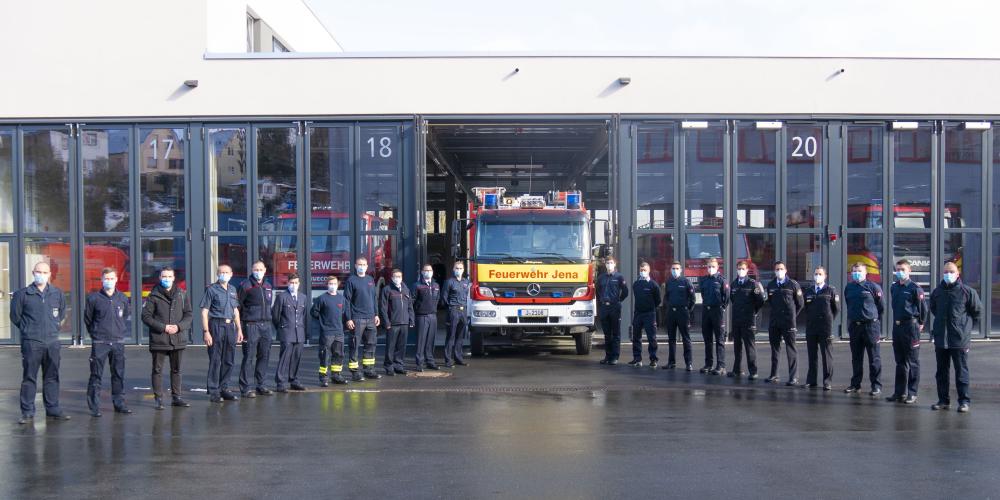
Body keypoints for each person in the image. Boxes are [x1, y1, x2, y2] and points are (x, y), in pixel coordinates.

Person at [11, 262, 70, 424]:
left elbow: (62, 313)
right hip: (32, 343)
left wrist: (54, 328)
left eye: (44, 272)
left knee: (52, 376)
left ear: (50, 274)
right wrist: (28, 330)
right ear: (33, 272)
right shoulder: (23, 294)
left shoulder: (57, 293)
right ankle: (28, 412)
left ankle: (52, 408)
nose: (41, 275)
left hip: (52, 343)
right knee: (29, 377)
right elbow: (15, 316)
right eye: (38, 272)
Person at [929, 260, 981, 413]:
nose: (948, 275)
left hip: (959, 339)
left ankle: (964, 401)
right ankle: (943, 400)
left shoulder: (967, 292)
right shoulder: (937, 292)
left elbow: (977, 312)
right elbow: (934, 309)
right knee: (941, 372)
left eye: (951, 272)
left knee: (961, 372)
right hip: (941, 339)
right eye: (945, 272)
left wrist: (966, 329)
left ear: (958, 274)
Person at [83, 268, 132, 416]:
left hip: (117, 342)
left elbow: (125, 317)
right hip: (100, 343)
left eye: (111, 278)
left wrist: (119, 331)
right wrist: (96, 335)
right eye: (106, 278)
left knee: (118, 374)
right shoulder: (93, 298)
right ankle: (94, 407)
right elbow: (88, 319)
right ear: (102, 279)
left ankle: (119, 403)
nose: (109, 281)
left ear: (116, 279)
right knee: (96, 375)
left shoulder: (122, 298)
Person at [141, 266, 192, 409]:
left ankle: (177, 397)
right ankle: (159, 399)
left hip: (178, 339)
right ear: (160, 278)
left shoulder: (182, 294)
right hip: (159, 339)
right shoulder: (153, 296)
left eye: (169, 276)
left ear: (174, 278)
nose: (167, 279)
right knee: (157, 370)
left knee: (177, 370)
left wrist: (179, 326)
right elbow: (145, 316)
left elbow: (189, 314)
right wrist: (163, 327)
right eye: (164, 276)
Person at [200, 264, 244, 403]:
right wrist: (206, 331)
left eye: (226, 272)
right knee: (215, 359)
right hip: (216, 325)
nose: (224, 274)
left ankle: (224, 388)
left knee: (229, 360)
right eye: (221, 272)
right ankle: (214, 391)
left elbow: (235, 311)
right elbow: (204, 312)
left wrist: (239, 329)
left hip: (230, 326)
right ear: (217, 274)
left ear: (231, 274)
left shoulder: (232, 289)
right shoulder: (211, 289)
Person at [887, 259, 927, 404]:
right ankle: (899, 393)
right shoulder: (894, 287)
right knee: (900, 362)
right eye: (898, 269)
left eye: (903, 269)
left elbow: (923, 309)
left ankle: (912, 393)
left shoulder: (915, 288)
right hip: (897, 327)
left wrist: (920, 323)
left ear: (909, 270)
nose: (900, 272)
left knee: (913, 361)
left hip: (910, 327)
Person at [843, 262, 885, 397]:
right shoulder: (849, 288)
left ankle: (876, 386)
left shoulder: (873, 287)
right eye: (854, 271)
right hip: (855, 326)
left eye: (859, 271)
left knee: (874, 358)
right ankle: (856, 384)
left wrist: (872, 318)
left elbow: (881, 307)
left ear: (865, 273)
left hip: (870, 326)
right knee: (856, 357)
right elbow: (848, 303)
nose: (856, 273)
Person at [238, 260, 274, 399]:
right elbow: (238, 307)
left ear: (265, 270)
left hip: (266, 326)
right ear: (252, 270)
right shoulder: (245, 286)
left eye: (260, 269)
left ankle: (261, 385)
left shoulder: (268, 286)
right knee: (249, 357)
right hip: (251, 325)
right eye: (255, 269)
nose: (258, 271)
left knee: (264, 356)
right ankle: (245, 388)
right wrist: (240, 327)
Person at [765, 261, 803, 386]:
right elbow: (770, 302)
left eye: (781, 269)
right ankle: (774, 374)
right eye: (777, 269)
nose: (779, 271)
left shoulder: (792, 284)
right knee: (775, 349)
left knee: (791, 349)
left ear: (785, 270)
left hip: (788, 322)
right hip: (775, 322)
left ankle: (793, 377)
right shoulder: (771, 285)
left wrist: (792, 316)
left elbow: (800, 304)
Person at [344, 257, 382, 380]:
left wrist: (376, 314)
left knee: (370, 344)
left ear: (367, 266)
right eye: (359, 264)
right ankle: (355, 372)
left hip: (371, 318)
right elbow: (347, 301)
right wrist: (348, 318)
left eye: (364, 264)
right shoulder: (351, 280)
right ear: (355, 266)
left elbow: (374, 298)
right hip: (357, 318)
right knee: (354, 345)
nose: (362, 266)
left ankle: (369, 370)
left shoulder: (370, 280)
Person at [802, 266, 838, 390]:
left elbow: (835, 309)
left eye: (820, 274)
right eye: (816, 274)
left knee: (826, 355)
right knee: (812, 355)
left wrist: (828, 320)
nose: (817, 276)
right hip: (811, 327)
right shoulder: (809, 291)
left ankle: (827, 381)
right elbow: (806, 308)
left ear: (825, 276)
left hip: (825, 328)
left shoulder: (830, 290)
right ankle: (811, 380)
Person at [728, 260, 764, 379]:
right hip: (737, 320)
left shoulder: (753, 284)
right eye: (739, 269)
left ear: (747, 270)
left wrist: (753, 311)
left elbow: (760, 301)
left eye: (743, 268)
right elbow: (733, 299)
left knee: (750, 347)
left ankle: (753, 371)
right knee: (737, 346)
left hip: (748, 320)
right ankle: (737, 370)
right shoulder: (734, 284)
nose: (741, 271)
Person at [272, 273, 307, 392]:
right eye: (291, 283)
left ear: (299, 284)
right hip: (286, 332)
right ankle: (280, 382)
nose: (294, 285)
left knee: (296, 357)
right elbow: (275, 316)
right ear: (288, 283)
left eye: (296, 283)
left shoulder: (303, 297)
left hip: (299, 333)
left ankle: (294, 380)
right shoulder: (282, 297)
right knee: (284, 358)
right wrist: (282, 328)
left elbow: (304, 315)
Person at [312, 275, 349, 386]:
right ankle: (323, 378)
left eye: (334, 284)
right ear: (327, 285)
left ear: (338, 285)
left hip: (339, 332)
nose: (332, 286)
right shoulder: (322, 298)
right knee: (324, 355)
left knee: (338, 354)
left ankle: (336, 375)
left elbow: (344, 313)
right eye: (330, 284)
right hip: (326, 332)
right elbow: (313, 312)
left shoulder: (341, 299)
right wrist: (323, 320)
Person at [697, 257, 729, 375]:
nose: (710, 269)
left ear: (717, 267)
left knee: (719, 339)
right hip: (706, 310)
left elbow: (726, 297)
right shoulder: (704, 280)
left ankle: (721, 365)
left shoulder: (721, 280)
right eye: (709, 267)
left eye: (713, 267)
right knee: (707, 339)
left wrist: (721, 307)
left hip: (717, 311)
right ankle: (708, 364)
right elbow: (703, 294)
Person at [380, 269, 414, 376]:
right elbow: (383, 308)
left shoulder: (406, 289)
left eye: (399, 276)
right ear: (392, 277)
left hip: (404, 322)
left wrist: (411, 319)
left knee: (401, 346)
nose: (397, 278)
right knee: (391, 346)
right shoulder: (387, 289)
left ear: (402, 277)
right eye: (395, 276)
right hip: (392, 324)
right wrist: (386, 322)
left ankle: (398, 365)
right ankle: (389, 366)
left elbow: (410, 306)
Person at [595, 256, 628, 365]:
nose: (609, 264)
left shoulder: (619, 277)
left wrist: (618, 300)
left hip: (614, 307)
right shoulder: (601, 277)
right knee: (607, 334)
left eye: (611, 263)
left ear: (615, 264)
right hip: (604, 307)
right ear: (605, 264)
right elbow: (598, 290)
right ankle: (607, 356)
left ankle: (615, 357)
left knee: (615, 333)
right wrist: (602, 300)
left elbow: (625, 291)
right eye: (607, 263)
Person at [663, 261, 695, 371]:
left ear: (681, 270)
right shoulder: (669, 282)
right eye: (673, 268)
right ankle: (671, 362)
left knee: (686, 338)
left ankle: (688, 363)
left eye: (677, 268)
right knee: (671, 339)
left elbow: (692, 298)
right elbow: (666, 297)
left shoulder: (686, 282)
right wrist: (668, 307)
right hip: (672, 313)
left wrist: (687, 309)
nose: (674, 270)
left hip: (683, 313)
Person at [630, 261, 661, 368]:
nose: (643, 272)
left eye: (645, 270)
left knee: (651, 337)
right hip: (638, 313)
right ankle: (637, 358)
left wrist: (650, 308)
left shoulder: (653, 285)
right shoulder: (636, 284)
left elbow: (658, 300)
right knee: (636, 337)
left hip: (649, 314)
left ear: (649, 271)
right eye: (641, 270)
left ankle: (653, 359)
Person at [440, 261, 471, 368]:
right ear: (453, 269)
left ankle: (458, 358)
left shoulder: (466, 282)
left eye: (461, 268)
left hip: (463, 310)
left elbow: (467, 295)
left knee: (460, 336)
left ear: (463, 270)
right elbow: (444, 297)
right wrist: (450, 308)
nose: (459, 270)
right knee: (451, 336)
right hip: (453, 310)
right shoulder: (449, 282)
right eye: (457, 268)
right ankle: (448, 360)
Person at [412, 264, 441, 371]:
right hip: (422, 316)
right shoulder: (417, 285)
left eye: (430, 270)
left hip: (433, 316)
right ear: (422, 272)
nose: (428, 272)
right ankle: (419, 363)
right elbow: (413, 301)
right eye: (426, 270)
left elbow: (437, 299)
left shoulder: (436, 285)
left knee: (431, 340)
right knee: (421, 340)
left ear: (432, 272)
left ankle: (430, 361)